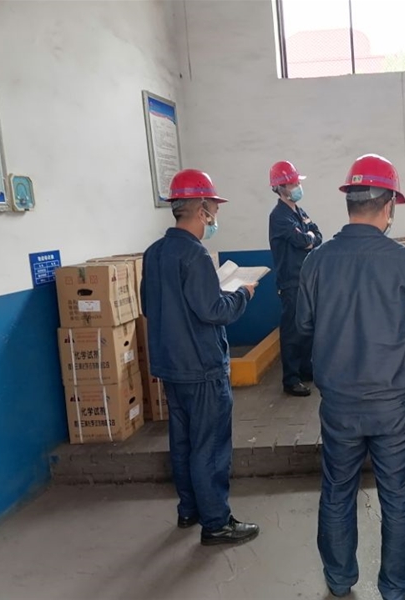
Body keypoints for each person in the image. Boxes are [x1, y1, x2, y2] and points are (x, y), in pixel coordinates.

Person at [297, 154, 405, 599]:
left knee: (337, 490)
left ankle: (339, 578)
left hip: (339, 402)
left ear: (350, 203)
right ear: (389, 206)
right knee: (395, 493)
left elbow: (303, 324)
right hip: (392, 402)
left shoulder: (316, 261)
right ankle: (397, 583)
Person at [141, 169, 261, 546]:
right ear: (202, 210)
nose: (215, 217)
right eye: (214, 209)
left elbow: (149, 306)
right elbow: (214, 311)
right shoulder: (194, 254)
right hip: (202, 367)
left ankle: (189, 509)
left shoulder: (154, 252)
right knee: (209, 446)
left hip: (170, 366)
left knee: (183, 442)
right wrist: (242, 294)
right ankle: (216, 522)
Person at [268, 160, 322, 397]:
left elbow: (317, 236)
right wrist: (308, 238)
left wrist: (309, 237)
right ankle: (290, 379)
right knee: (292, 331)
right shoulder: (279, 216)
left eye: (297, 182)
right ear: (280, 188)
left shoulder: (299, 212)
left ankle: (305, 369)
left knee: (307, 327)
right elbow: (303, 241)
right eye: (293, 183)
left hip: (305, 279)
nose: (298, 187)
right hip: (291, 282)